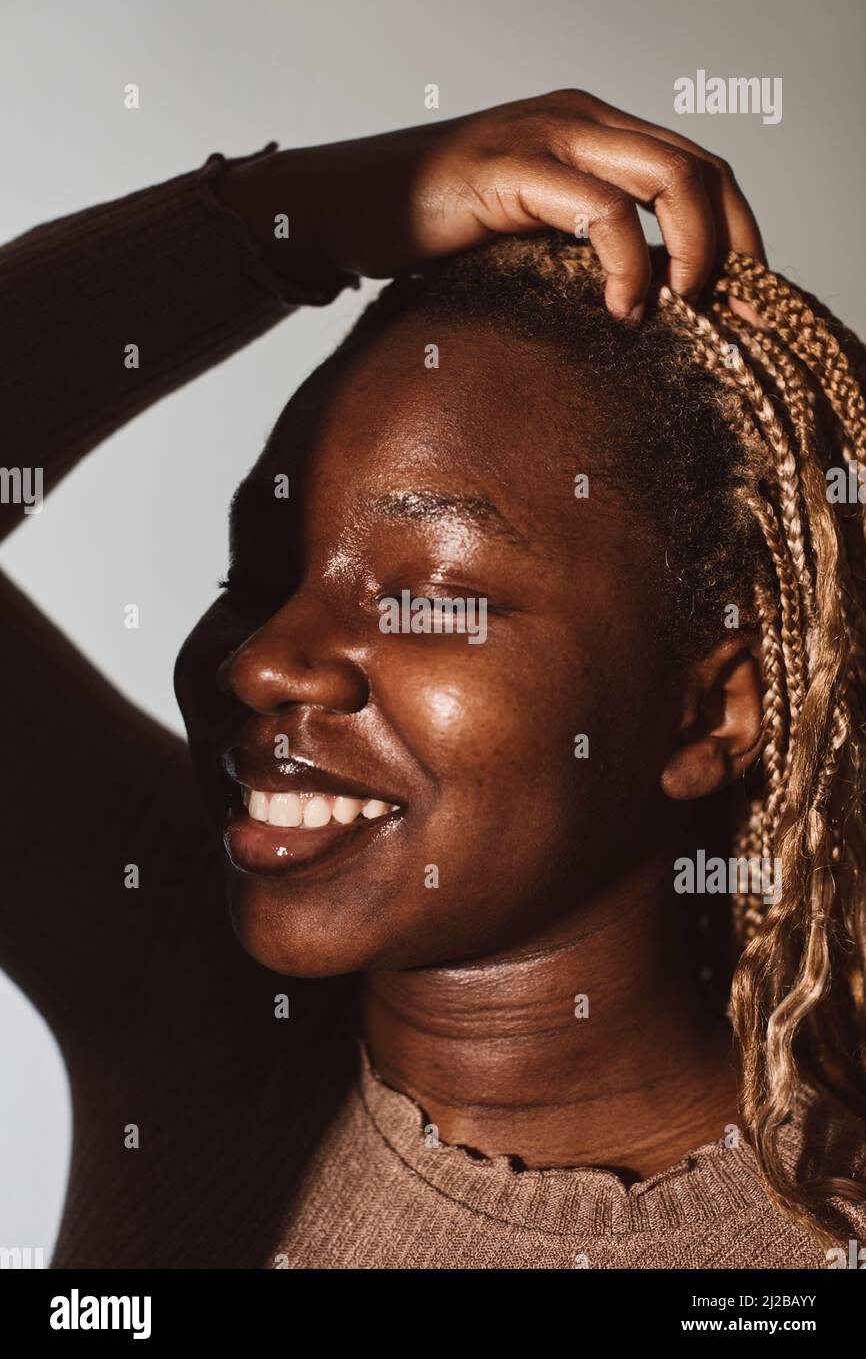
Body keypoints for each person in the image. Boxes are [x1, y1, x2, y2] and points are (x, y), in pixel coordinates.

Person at [2, 90, 865, 1270]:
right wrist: (299, 216)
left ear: (712, 708)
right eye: (256, 568)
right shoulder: (189, 988)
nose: (263, 659)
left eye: (428, 598)